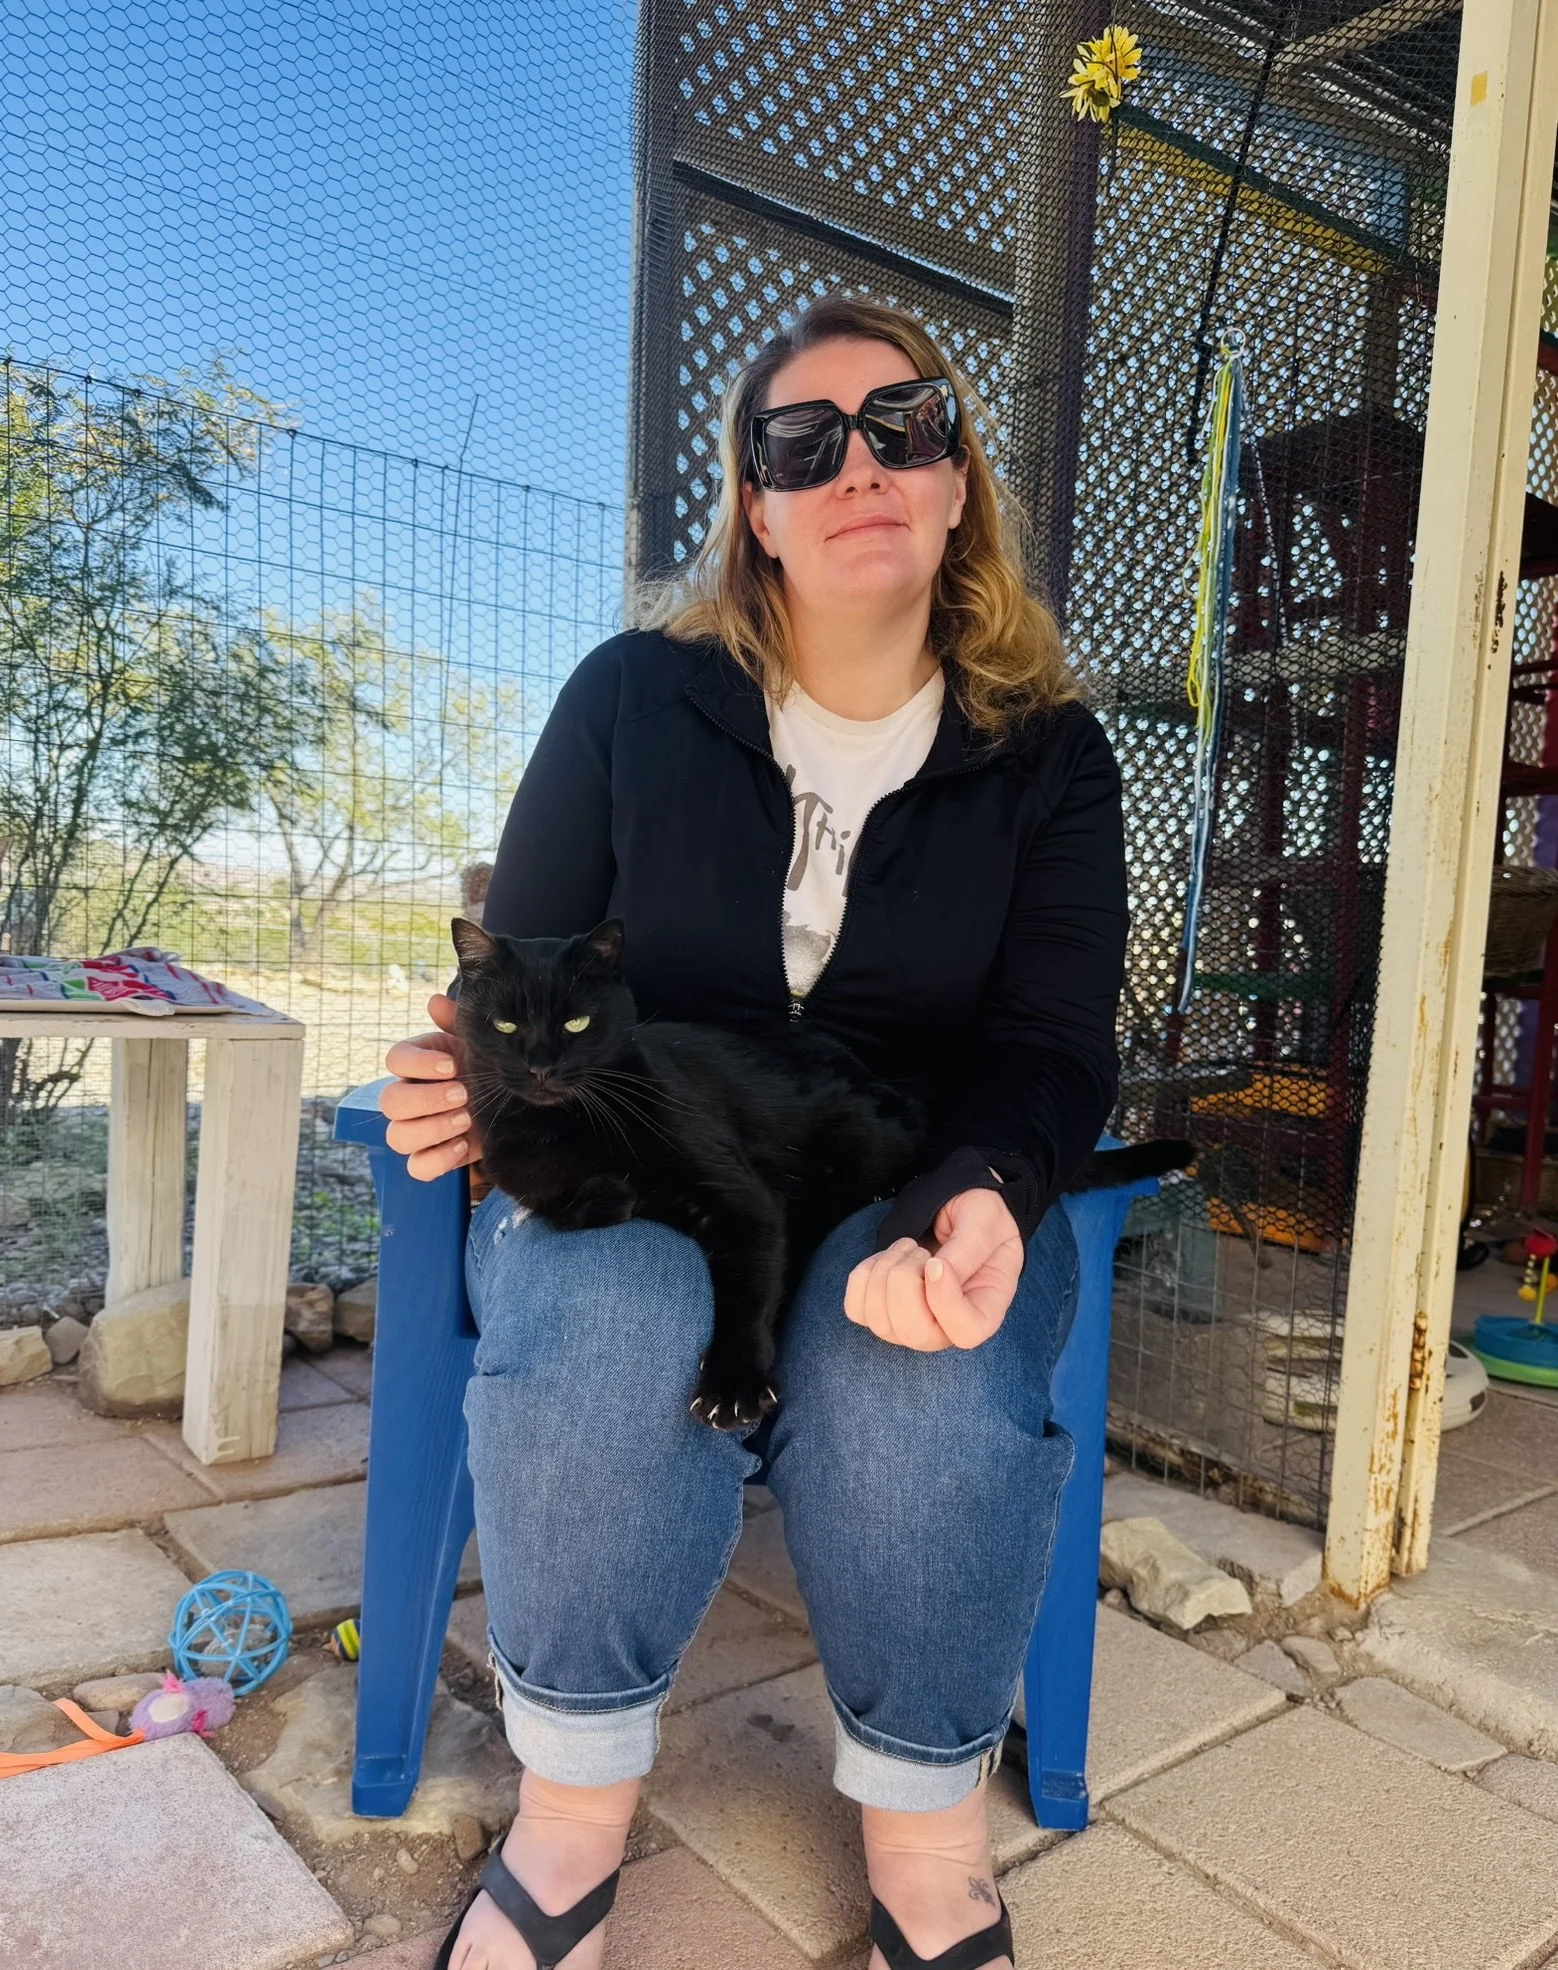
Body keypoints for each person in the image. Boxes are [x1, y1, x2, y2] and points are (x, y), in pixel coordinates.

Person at [381, 294, 1128, 1970]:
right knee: (603, 1312)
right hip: (646, 1155)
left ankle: (929, 1842)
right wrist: (454, 1072)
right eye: (804, 442)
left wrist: (989, 1193)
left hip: (901, 1169)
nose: (858, 463)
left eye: (903, 425)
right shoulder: (634, 698)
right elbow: (524, 958)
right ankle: (570, 1815)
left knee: (920, 1368)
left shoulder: (1051, 760)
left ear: (955, 484)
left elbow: (1052, 1044)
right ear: (756, 506)